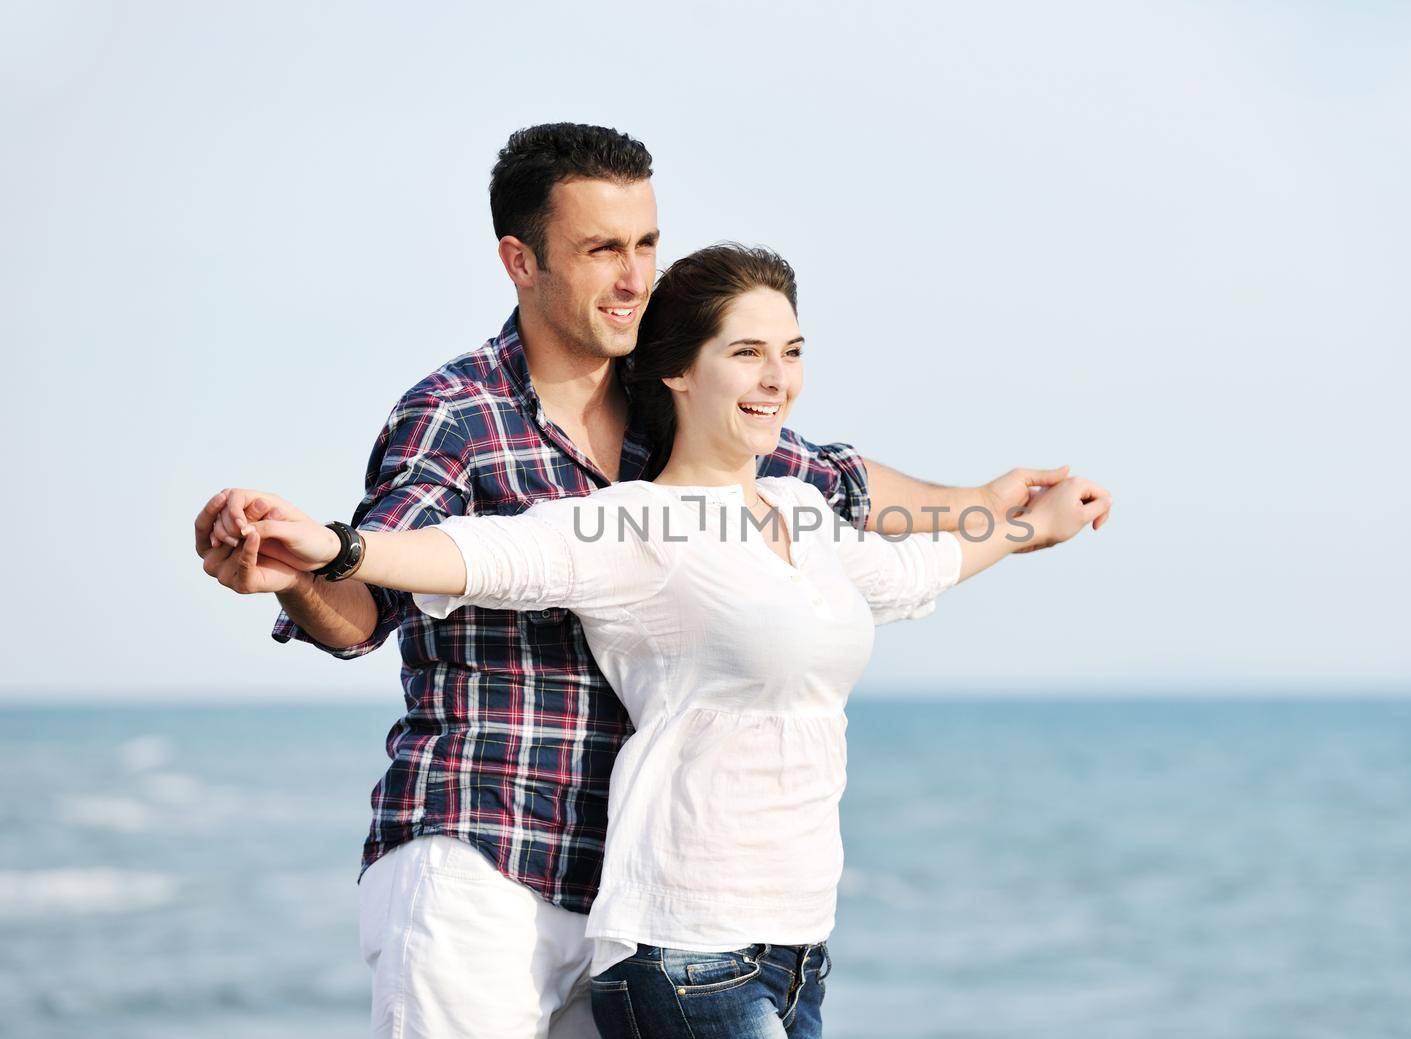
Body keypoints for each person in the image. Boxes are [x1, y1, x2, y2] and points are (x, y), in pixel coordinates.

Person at [194, 123, 1086, 1039]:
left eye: (647, 245)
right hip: (483, 851)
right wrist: (303, 567)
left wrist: (985, 505)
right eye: (603, 250)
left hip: (636, 887)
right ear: (521, 261)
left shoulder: (675, 411)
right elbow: (364, 606)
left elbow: (839, 486)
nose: (634, 277)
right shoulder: (455, 415)